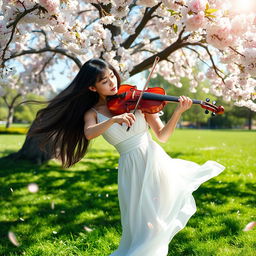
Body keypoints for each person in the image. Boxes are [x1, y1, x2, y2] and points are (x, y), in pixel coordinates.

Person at [30, 58, 225, 256]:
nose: (112, 82)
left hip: (155, 162)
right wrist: (114, 120)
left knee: (156, 222)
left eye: (112, 76)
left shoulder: (138, 101)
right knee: (140, 224)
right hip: (131, 169)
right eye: (104, 81)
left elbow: (163, 136)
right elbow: (89, 133)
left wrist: (178, 112)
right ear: (92, 87)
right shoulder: (92, 113)